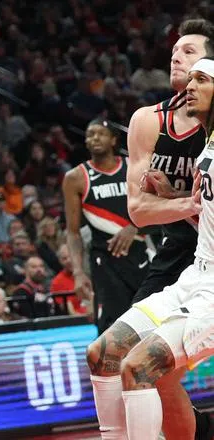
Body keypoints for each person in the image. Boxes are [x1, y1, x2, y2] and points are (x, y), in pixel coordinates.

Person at [86, 20, 214, 440]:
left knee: (141, 368)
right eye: (175, 53)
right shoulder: (156, 122)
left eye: (197, 67)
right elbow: (139, 210)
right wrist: (189, 204)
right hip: (187, 259)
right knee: (104, 354)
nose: (178, 61)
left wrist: (178, 202)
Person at [62, 120, 147, 333]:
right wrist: (79, 272)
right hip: (104, 260)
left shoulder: (133, 166)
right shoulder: (76, 177)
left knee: (148, 322)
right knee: (112, 328)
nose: (95, 138)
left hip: (140, 254)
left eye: (101, 134)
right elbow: (72, 232)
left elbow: (154, 208)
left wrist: (134, 226)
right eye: (90, 134)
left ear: (113, 139)